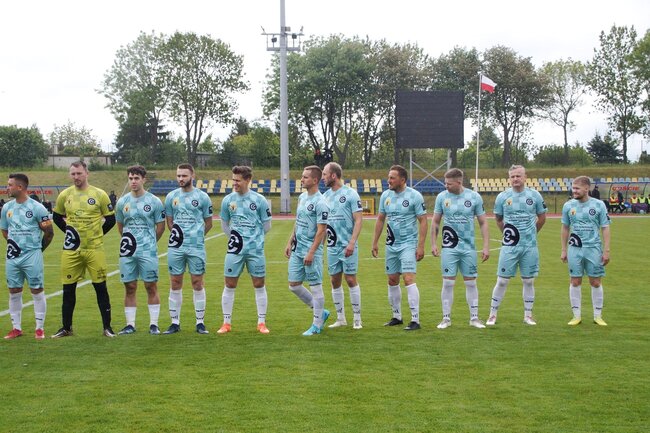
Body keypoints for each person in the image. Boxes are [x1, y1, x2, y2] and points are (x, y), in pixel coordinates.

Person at [51, 161, 116, 338]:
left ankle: (107, 328)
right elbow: (56, 217)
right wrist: (70, 234)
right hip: (71, 250)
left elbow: (111, 220)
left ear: (87, 173)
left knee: (100, 287)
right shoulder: (65, 195)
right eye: (73, 174)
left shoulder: (99, 194)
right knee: (68, 289)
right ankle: (66, 328)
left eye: (79, 173)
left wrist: (98, 234)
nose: (76, 177)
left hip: (94, 249)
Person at [486, 165, 547, 326]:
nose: (515, 179)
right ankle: (492, 314)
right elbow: (499, 219)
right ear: (509, 178)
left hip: (529, 246)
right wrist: (508, 235)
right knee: (502, 281)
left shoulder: (534, 195)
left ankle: (528, 315)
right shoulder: (502, 197)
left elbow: (542, 218)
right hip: (509, 246)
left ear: (525, 177)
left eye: (518, 176)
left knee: (528, 281)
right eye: (512, 176)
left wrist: (532, 233)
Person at [430, 168, 489, 329]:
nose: (446, 186)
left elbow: (483, 222)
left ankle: (474, 318)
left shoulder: (474, 197)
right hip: (449, 247)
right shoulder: (442, 197)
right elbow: (435, 221)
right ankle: (446, 319)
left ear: (459, 182)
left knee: (471, 283)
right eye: (445, 183)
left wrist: (485, 246)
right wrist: (433, 243)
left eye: (449, 184)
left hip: (469, 248)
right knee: (448, 283)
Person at [372, 165, 427, 331]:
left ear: (402, 180)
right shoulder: (386, 196)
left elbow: (423, 221)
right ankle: (397, 316)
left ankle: (415, 320)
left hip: (408, 244)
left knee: (408, 279)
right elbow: (381, 219)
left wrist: (421, 246)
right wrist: (375, 242)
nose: (388, 180)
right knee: (392, 280)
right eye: (388, 177)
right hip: (391, 245)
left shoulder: (414, 196)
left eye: (392, 178)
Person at [217, 166, 272, 335]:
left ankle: (261, 323)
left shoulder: (259, 200)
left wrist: (254, 238)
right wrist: (235, 240)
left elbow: (267, 225)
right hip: (235, 250)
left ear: (248, 180)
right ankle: (226, 323)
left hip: (255, 249)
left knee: (259, 284)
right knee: (229, 283)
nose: (234, 183)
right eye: (233, 180)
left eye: (238, 180)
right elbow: (224, 224)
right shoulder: (228, 200)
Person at [1, 173, 54, 339]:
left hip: (32, 255)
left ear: (20, 187)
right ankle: (16, 328)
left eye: (10, 185)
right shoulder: (7, 208)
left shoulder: (37, 208)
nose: (7, 188)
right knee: (14, 290)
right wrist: (15, 246)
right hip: (13, 257)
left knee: (36, 290)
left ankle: (39, 329)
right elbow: (4, 230)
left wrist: (38, 249)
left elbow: (49, 232)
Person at [163, 163, 213, 334]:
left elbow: (208, 223)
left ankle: (200, 323)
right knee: (175, 282)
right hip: (176, 246)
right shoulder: (171, 197)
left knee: (197, 283)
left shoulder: (203, 197)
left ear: (193, 175)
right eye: (178, 176)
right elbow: (170, 222)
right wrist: (179, 236)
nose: (181, 179)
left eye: (184, 175)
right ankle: (174, 323)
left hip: (196, 247)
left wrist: (196, 236)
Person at [115, 166, 166, 335]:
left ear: (144, 179)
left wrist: (149, 242)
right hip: (128, 251)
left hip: (147, 251)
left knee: (151, 286)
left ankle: (154, 324)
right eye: (130, 178)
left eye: (136, 178)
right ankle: (130, 325)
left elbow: (160, 227)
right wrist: (130, 242)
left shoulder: (154, 201)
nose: (133, 181)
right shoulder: (122, 202)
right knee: (130, 286)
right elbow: (121, 227)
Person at [285, 165, 330, 336]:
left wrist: (311, 252)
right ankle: (321, 312)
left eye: (305, 177)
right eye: (302, 176)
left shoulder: (321, 202)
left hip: (312, 251)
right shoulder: (302, 197)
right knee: (294, 285)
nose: (301, 179)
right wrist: (290, 241)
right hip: (297, 248)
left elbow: (322, 230)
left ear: (315, 180)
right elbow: (298, 221)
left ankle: (316, 325)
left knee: (316, 286)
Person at [561, 176, 611, 326]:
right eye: (573, 188)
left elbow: (605, 228)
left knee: (595, 282)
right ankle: (576, 316)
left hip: (593, 248)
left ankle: (598, 316)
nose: (574, 191)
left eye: (577, 188)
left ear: (586, 188)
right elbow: (565, 228)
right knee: (575, 281)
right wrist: (563, 249)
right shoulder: (568, 206)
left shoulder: (599, 205)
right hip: (574, 249)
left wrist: (606, 250)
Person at [322, 162, 364, 329]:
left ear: (333, 175)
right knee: (334, 280)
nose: (323, 178)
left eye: (325, 174)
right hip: (332, 246)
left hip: (348, 245)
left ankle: (357, 318)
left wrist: (352, 242)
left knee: (351, 279)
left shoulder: (351, 194)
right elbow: (323, 225)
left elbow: (359, 220)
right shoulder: (325, 196)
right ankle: (341, 318)